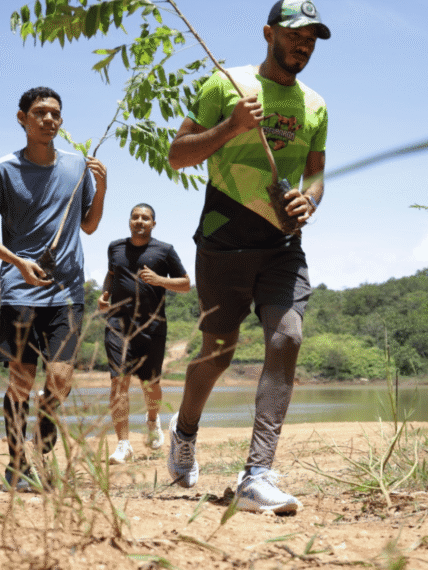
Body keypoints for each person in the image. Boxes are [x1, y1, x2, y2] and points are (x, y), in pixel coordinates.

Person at [164, 0, 330, 514]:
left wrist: (311, 199)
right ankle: (185, 431)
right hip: (223, 241)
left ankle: (257, 472)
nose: (303, 44)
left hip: (282, 245)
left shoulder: (317, 106)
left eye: (311, 37)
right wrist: (233, 127)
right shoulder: (226, 85)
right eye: (294, 34)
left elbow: (317, 173)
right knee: (218, 353)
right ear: (268, 33)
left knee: (287, 336)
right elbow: (178, 154)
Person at [0, 86, 108, 491]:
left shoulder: (77, 165)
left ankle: (40, 442)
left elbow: (90, 224)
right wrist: (18, 262)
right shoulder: (3, 169)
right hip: (20, 290)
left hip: (67, 292)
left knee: (62, 379)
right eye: (40, 113)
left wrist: (103, 186)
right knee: (21, 382)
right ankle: (17, 464)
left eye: (55, 114)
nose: (49, 119)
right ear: (22, 119)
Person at [98, 203, 190, 464]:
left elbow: (185, 284)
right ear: (129, 221)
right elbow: (111, 273)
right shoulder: (115, 247)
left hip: (152, 326)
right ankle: (123, 444)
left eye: (145, 218)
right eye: (135, 217)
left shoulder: (164, 251)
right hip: (118, 323)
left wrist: (160, 280)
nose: (140, 221)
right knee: (118, 382)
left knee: (150, 384)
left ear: (153, 224)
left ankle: (152, 421)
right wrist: (106, 293)